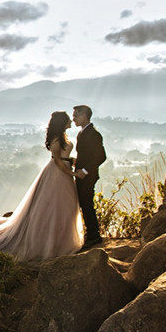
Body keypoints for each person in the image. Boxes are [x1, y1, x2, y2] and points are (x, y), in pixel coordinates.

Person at [0, 111, 84, 265]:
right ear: (62, 122)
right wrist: (71, 172)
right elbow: (57, 160)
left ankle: (60, 240)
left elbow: (63, 158)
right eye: (68, 119)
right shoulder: (58, 139)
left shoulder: (62, 136)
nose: (71, 121)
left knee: (64, 206)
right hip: (58, 174)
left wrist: (71, 162)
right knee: (56, 206)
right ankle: (52, 243)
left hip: (62, 172)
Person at [72, 104, 106, 249]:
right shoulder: (82, 132)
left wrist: (84, 171)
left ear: (84, 116)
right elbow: (85, 155)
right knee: (84, 204)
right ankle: (91, 234)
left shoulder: (93, 134)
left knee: (87, 205)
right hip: (81, 174)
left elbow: (101, 157)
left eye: (76, 116)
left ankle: (94, 236)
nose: (73, 119)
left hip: (87, 176)